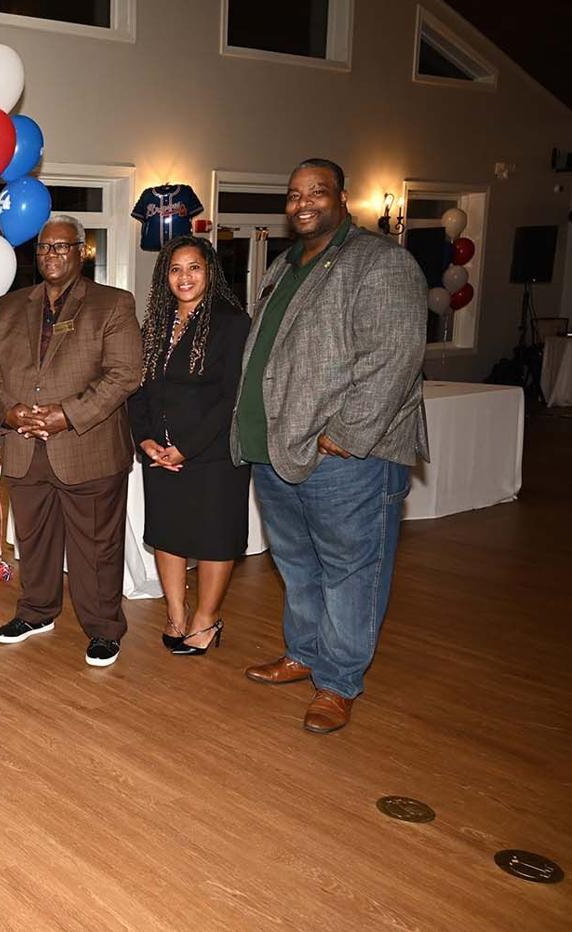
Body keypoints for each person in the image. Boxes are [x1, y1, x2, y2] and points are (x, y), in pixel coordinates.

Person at [232, 158, 427, 734]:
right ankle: (306, 653)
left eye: (316, 192)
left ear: (343, 198)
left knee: (351, 569)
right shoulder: (285, 265)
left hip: (345, 457)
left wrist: (345, 436)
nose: (303, 202)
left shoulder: (381, 262)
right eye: (294, 194)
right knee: (296, 563)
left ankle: (338, 682)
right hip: (277, 448)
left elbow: (395, 357)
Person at [0, 214, 142, 668]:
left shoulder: (113, 304)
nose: (51, 255)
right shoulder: (10, 306)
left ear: (81, 251)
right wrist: (8, 412)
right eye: (43, 248)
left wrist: (65, 416)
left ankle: (103, 628)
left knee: (96, 546)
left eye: (61, 247)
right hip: (23, 445)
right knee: (34, 541)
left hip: (87, 446)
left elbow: (125, 375)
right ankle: (37, 612)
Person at [127, 236, 251, 656]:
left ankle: (206, 619)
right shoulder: (155, 325)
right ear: (165, 276)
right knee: (169, 532)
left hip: (213, 455)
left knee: (215, 537)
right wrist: (143, 439)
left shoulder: (232, 323)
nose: (185, 277)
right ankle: (176, 614)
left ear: (209, 272)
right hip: (158, 452)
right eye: (176, 269)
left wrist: (186, 448)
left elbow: (231, 399)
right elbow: (137, 390)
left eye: (194, 267)